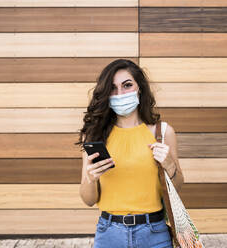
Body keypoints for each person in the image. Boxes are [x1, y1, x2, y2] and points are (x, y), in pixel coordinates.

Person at [76, 59, 184, 248]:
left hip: (155, 234)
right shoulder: (94, 136)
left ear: (139, 88)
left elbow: (179, 186)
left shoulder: (163, 132)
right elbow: (88, 200)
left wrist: (169, 165)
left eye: (127, 85)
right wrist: (91, 179)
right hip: (109, 234)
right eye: (113, 88)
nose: (120, 94)